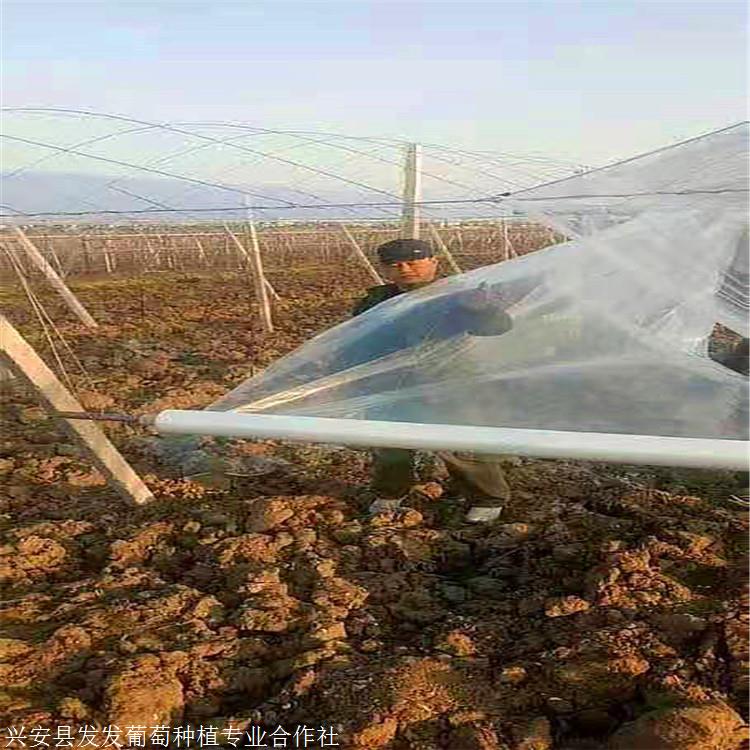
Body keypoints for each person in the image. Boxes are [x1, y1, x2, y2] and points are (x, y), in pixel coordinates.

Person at [352, 238, 515, 523]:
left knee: (463, 441)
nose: (405, 269)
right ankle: (391, 492)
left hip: (449, 379)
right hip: (390, 382)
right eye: (395, 265)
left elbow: (496, 327)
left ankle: (487, 498)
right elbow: (355, 338)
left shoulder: (456, 296)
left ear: (433, 263)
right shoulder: (376, 300)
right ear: (385, 269)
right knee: (390, 442)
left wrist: (481, 309)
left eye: (413, 262)